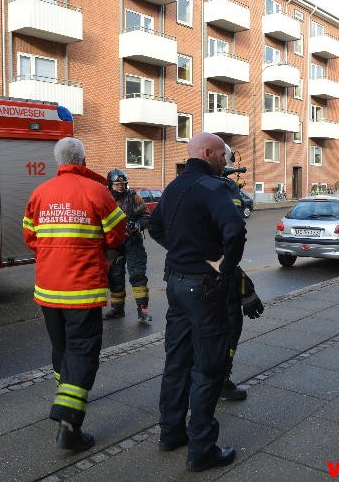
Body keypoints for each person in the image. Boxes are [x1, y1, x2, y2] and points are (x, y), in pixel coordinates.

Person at [147, 132, 247, 472]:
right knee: (208, 368)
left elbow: (155, 225)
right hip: (203, 289)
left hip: (175, 284)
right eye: (222, 154)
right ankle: (202, 449)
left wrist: (181, 251)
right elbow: (235, 230)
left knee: (177, 362)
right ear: (207, 153)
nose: (226, 161)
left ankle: (171, 432)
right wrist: (224, 265)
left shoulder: (174, 186)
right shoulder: (213, 188)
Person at [23, 137, 127, 451]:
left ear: (58, 161)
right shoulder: (98, 192)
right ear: (82, 159)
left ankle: (66, 396)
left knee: (61, 350)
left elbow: (30, 237)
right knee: (83, 353)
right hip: (82, 290)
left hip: (48, 290)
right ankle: (68, 420)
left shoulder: (40, 193)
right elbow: (116, 236)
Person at [217, 144, 264, 401]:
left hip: (183, 277)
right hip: (218, 276)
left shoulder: (184, 185)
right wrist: (245, 288)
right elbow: (232, 238)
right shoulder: (226, 189)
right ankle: (220, 380)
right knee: (229, 327)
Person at [103, 168, 153, 323]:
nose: (121, 187)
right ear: (110, 184)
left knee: (138, 275)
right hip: (113, 244)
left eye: (123, 184)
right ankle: (117, 309)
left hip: (133, 243)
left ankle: (142, 309)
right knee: (115, 276)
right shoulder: (105, 199)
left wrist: (138, 224)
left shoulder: (134, 198)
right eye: (117, 184)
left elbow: (146, 216)